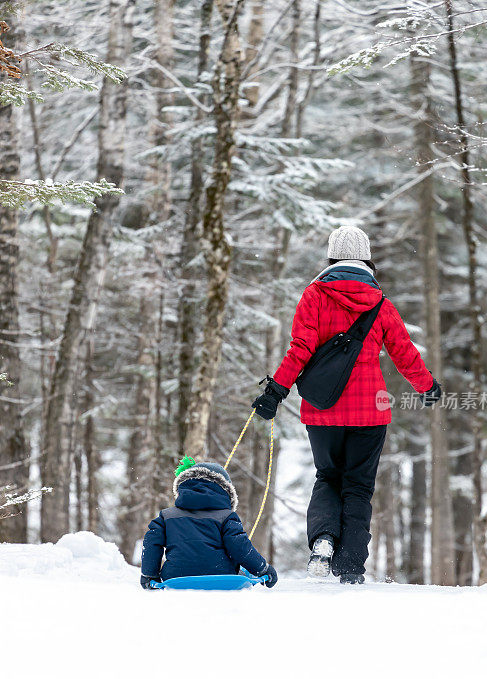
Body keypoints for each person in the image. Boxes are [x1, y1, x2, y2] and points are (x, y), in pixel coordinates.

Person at [252, 225, 441, 584]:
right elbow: (403, 352)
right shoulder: (381, 304)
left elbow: (300, 349)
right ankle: (351, 565)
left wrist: (276, 391)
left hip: (323, 410)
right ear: (367, 259)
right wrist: (427, 386)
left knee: (328, 477)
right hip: (370, 411)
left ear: (332, 258)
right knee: (358, 487)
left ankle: (323, 539)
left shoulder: (315, 296)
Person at [140, 457, 278, 589]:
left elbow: (152, 541)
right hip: (221, 575)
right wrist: (262, 569)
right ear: (225, 491)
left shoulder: (167, 516)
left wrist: (149, 574)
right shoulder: (227, 516)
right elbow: (239, 546)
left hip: (176, 576)